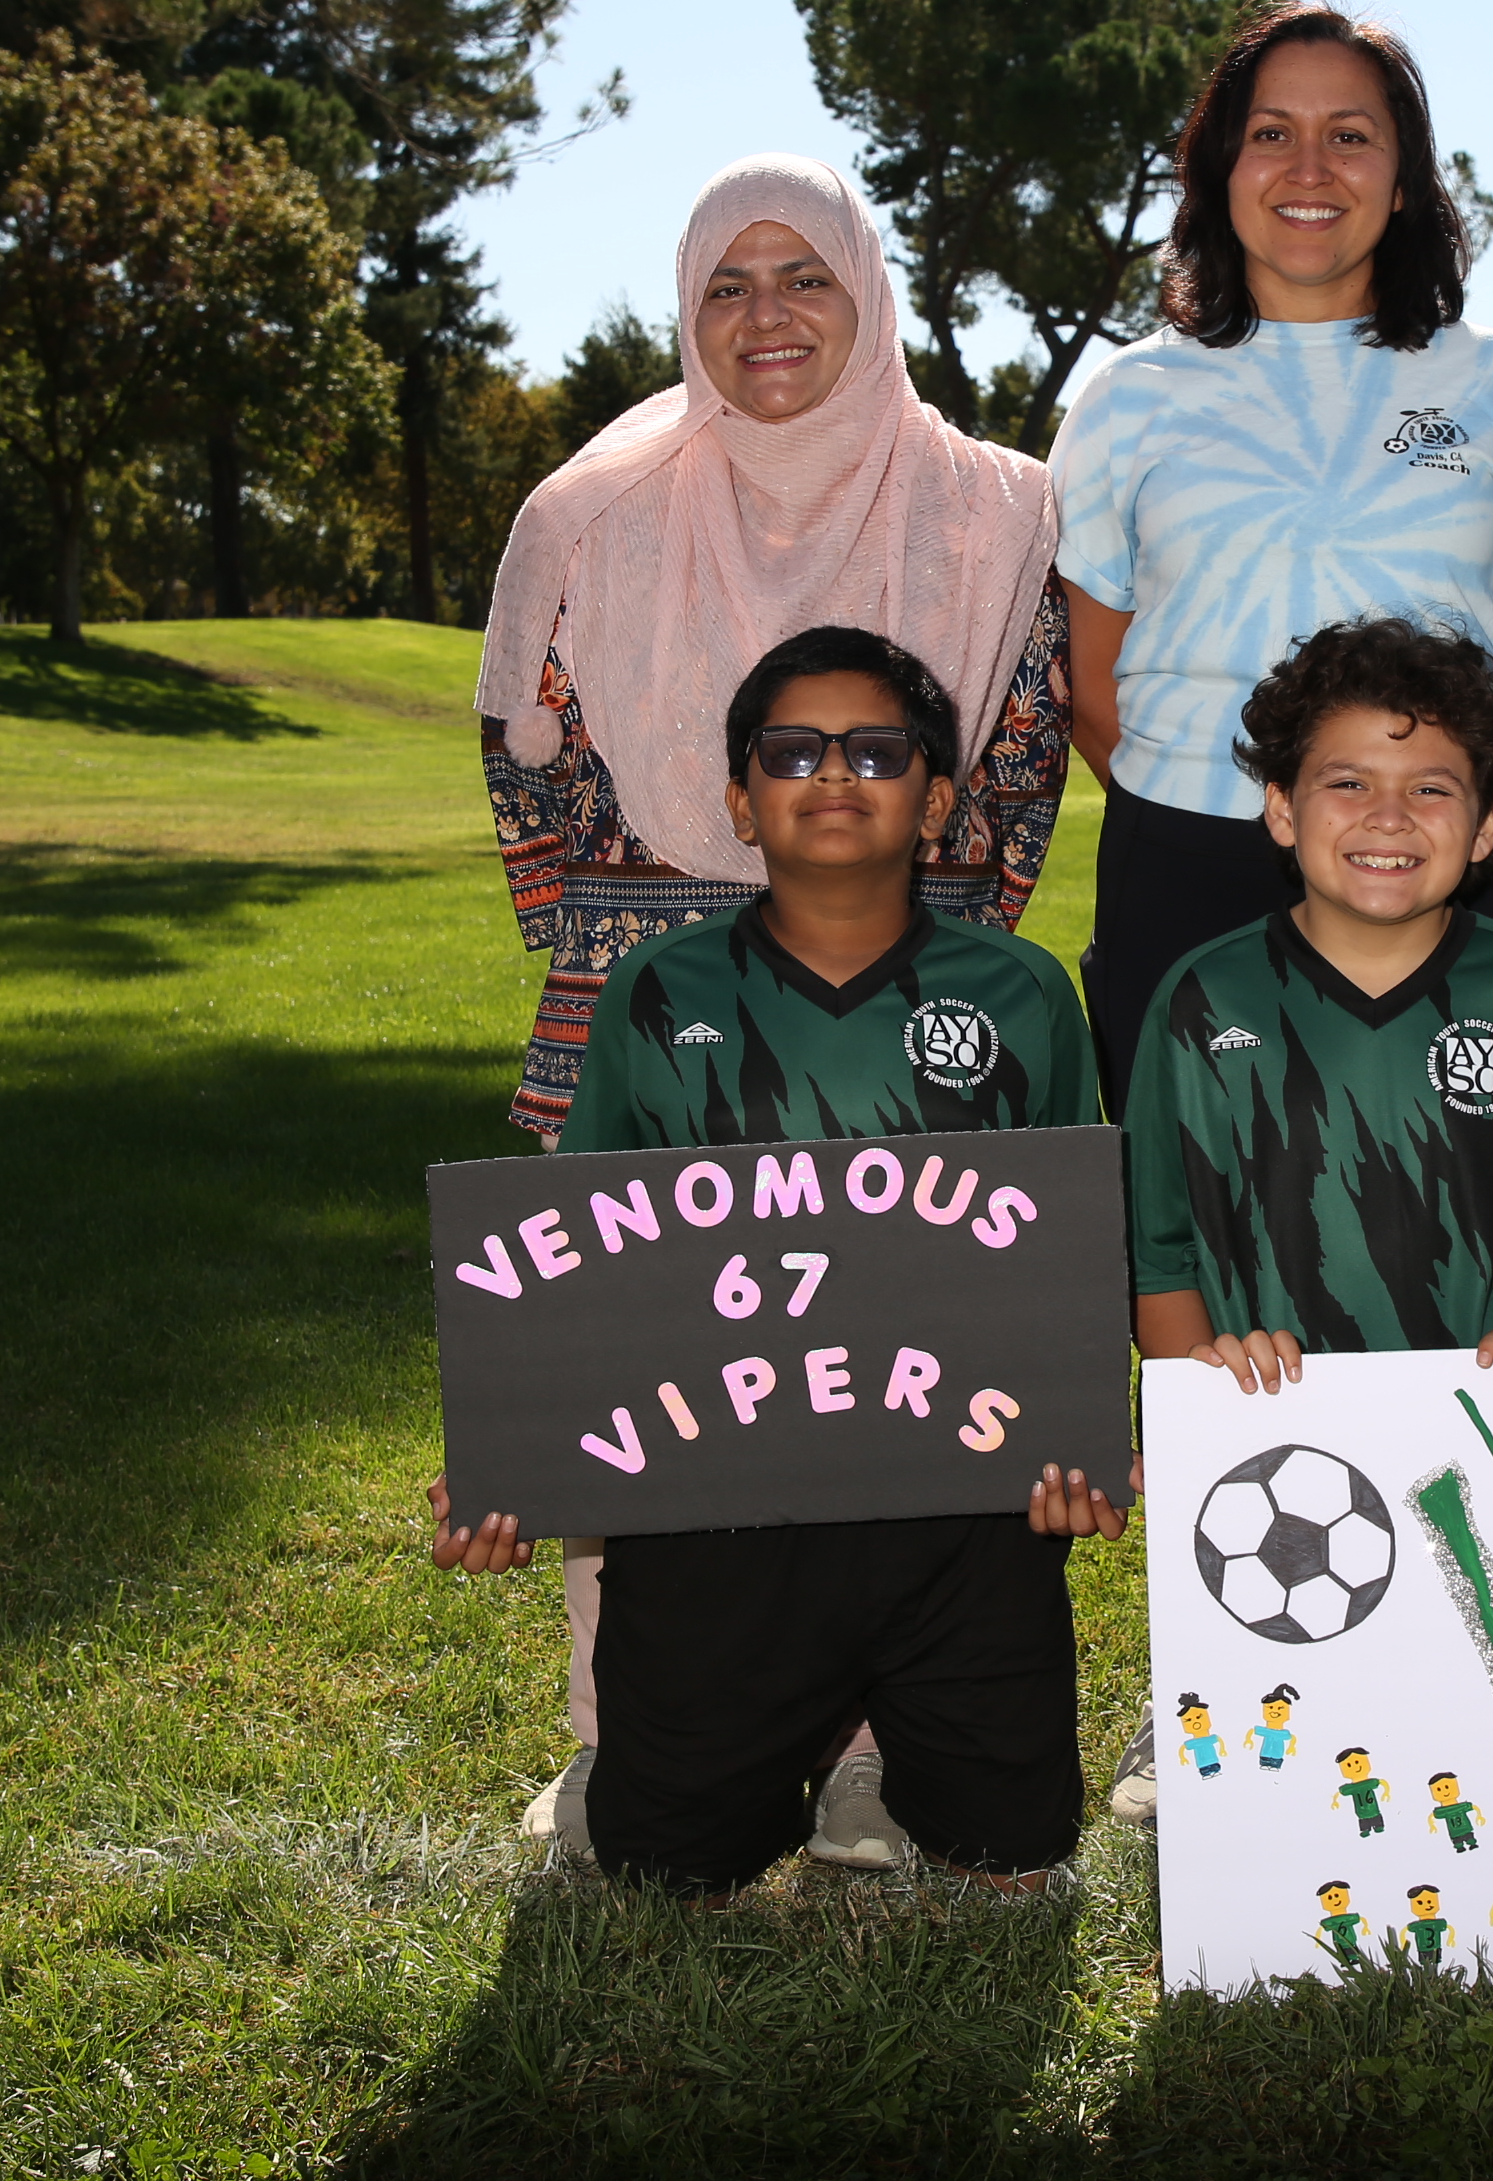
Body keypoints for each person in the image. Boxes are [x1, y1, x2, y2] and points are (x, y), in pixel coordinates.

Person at [468, 155, 1071, 1870]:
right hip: (646, 991)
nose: (767, 316)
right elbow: (529, 770)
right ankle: (622, 1735)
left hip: (900, 999)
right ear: (687, 311)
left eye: (804, 275)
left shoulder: (997, 508)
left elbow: (1015, 762)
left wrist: (911, 961)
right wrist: (640, 953)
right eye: (725, 286)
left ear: (867, 293)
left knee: (896, 1370)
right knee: (653, 1372)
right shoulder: (589, 509)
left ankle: (876, 1752)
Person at [429, 629, 1123, 1896]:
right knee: (666, 1863)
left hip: (954, 1505)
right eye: (793, 751)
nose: (835, 774)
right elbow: (585, 1255)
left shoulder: (1021, 992)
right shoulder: (656, 989)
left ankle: (893, 1749)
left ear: (938, 800)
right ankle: (739, 1746)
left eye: (878, 750)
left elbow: (1064, 1258)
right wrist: (512, 1462)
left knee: (1012, 1854)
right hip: (722, 1497)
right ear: (742, 802)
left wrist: (1073, 1445)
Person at [1106, 620, 1493, 1826]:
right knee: (1282, 1661)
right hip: (1275, 1431)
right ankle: (1203, 1674)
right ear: (1281, 810)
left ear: (1486, 828)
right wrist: (1204, 1398)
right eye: (1347, 782)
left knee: (1489, 1729)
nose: (1389, 816)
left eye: (1432, 788)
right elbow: (1161, 1247)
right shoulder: (1204, 996)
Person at [1054, 1, 1493, 1106]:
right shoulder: (1125, 398)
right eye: (1271, 133)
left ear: (1403, 183)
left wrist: (1410, 808)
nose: (1311, 168)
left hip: (1434, 863)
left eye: (1350, 135)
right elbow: (1092, 688)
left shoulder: (1492, 383)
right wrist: (1237, 813)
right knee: (1192, 1193)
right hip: (1187, 864)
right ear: (1221, 169)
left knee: (1459, 1186)